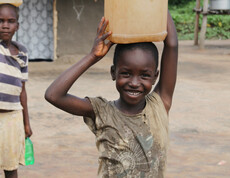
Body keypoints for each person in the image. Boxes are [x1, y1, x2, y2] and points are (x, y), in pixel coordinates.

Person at [45, 11, 178, 177]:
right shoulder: (101, 111)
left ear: (155, 77)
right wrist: (92, 56)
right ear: (113, 73)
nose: (135, 83)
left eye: (144, 75)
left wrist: (158, 6)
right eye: (126, 73)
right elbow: (53, 95)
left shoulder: (159, 104)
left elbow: (172, 44)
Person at [0, 3, 32, 178]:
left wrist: (26, 122)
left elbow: (23, 90)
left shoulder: (22, 53)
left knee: (10, 166)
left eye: (10, 21)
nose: (5, 25)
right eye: (0, 21)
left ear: (17, 26)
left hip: (13, 117)